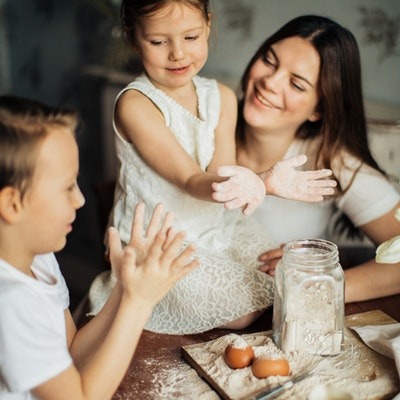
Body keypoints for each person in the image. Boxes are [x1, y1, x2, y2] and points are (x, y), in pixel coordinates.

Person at [87, 0, 338, 335]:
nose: (177, 54)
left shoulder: (220, 96)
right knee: (243, 310)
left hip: (216, 225)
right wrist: (263, 181)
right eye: (159, 42)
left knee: (277, 278)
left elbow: (221, 175)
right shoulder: (136, 104)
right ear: (134, 39)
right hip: (160, 239)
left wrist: (257, 182)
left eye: (190, 37)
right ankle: (126, 290)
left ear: (208, 25)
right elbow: (191, 179)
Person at [0, 95, 198, 400]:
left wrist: (124, 288)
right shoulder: (10, 302)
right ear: (12, 204)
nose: (80, 199)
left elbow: (71, 352)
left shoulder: (38, 257)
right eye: (67, 187)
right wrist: (139, 302)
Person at [233, 15, 400, 303]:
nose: (270, 82)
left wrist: (318, 282)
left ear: (318, 109)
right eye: (269, 61)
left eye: (296, 85)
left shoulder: (331, 163)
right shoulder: (206, 119)